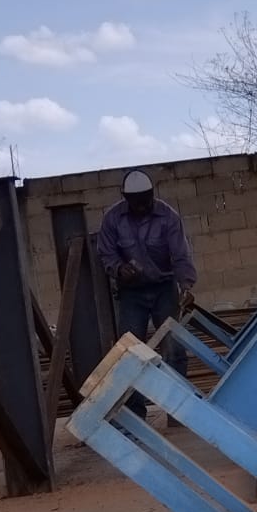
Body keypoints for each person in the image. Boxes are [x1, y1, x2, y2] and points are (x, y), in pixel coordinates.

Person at [98, 169, 197, 419]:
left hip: (164, 288)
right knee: (132, 353)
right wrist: (119, 269)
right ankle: (136, 412)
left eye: (146, 200)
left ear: (152, 194)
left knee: (173, 348)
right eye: (137, 202)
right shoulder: (113, 219)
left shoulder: (167, 216)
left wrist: (186, 285)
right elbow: (106, 253)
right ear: (125, 198)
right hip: (131, 293)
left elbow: (180, 253)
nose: (142, 206)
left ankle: (178, 412)